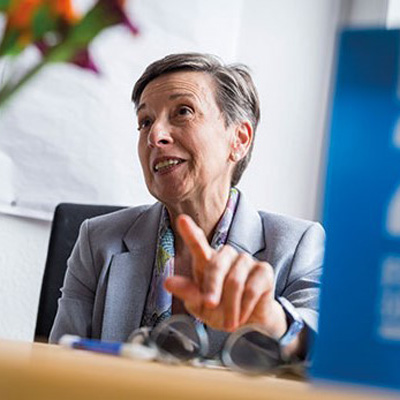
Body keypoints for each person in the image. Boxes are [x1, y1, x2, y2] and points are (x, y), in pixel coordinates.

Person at [49, 53, 325, 360]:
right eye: (145, 122)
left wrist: (274, 324)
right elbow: (57, 365)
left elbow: (331, 349)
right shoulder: (97, 240)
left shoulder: (299, 244)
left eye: (183, 111)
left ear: (239, 139)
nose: (155, 136)